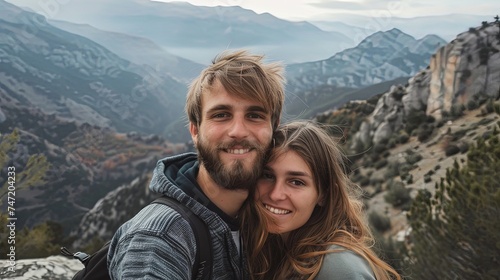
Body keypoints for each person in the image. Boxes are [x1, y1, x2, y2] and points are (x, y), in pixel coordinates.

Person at [107, 50, 285, 279]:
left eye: (255, 115)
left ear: (274, 128)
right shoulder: (160, 238)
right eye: (221, 115)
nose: (238, 131)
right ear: (195, 130)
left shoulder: (265, 217)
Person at [241, 121, 401, 280]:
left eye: (296, 182)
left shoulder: (337, 269)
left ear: (323, 195)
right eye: (268, 176)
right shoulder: (271, 249)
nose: (276, 194)